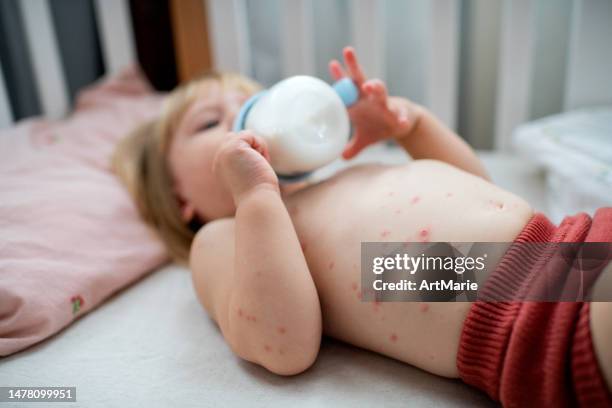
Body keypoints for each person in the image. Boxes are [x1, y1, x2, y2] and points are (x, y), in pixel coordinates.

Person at [113, 47, 612, 407]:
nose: (241, 122)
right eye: (209, 124)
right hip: (530, 319)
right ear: (181, 199)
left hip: (567, 239)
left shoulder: (340, 180)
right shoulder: (224, 237)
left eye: (257, 102)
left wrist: (408, 128)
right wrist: (256, 197)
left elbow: (482, 193)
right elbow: (281, 345)